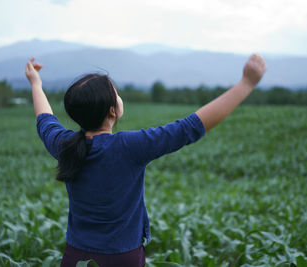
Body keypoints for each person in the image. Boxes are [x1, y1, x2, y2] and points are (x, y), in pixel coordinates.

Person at [25, 54, 266, 267]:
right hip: (124, 258)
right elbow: (191, 127)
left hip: (76, 257)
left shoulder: (64, 145)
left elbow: (44, 119)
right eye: (116, 94)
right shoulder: (130, 146)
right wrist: (247, 84)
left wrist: (36, 83)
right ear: (112, 111)